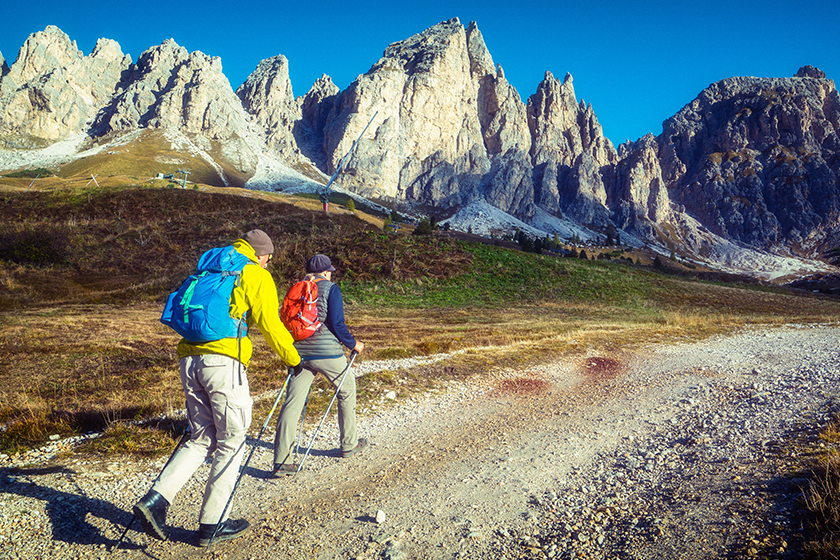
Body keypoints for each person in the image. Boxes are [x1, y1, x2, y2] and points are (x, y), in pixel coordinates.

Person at [133, 229, 301, 547]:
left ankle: (156, 500)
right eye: (268, 257)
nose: (267, 262)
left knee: (200, 438)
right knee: (232, 439)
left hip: (190, 360)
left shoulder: (211, 267)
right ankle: (213, 523)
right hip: (223, 364)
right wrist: (294, 359)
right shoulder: (255, 274)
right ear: (262, 254)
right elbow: (270, 323)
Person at [272, 254, 366, 475]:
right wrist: (353, 343)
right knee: (347, 389)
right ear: (325, 272)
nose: (331, 274)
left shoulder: (298, 287)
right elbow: (336, 323)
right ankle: (349, 445)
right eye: (330, 271)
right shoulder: (331, 288)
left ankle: (281, 460)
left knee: (292, 402)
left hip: (298, 353)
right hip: (327, 352)